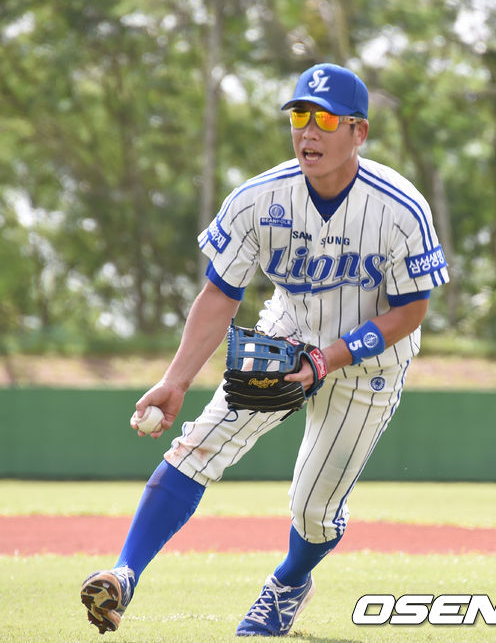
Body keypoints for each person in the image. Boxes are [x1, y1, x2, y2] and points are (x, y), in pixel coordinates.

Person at [80, 62, 449, 637]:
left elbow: (410, 311)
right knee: (198, 446)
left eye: (327, 119)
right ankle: (124, 573)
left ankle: (289, 583)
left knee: (313, 510)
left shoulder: (400, 208)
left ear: (359, 132)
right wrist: (176, 379)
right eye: (300, 116)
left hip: (369, 362)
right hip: (287, 337)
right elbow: (219, 295)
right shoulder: (259, 199)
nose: (309, 131)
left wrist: (328, 359)